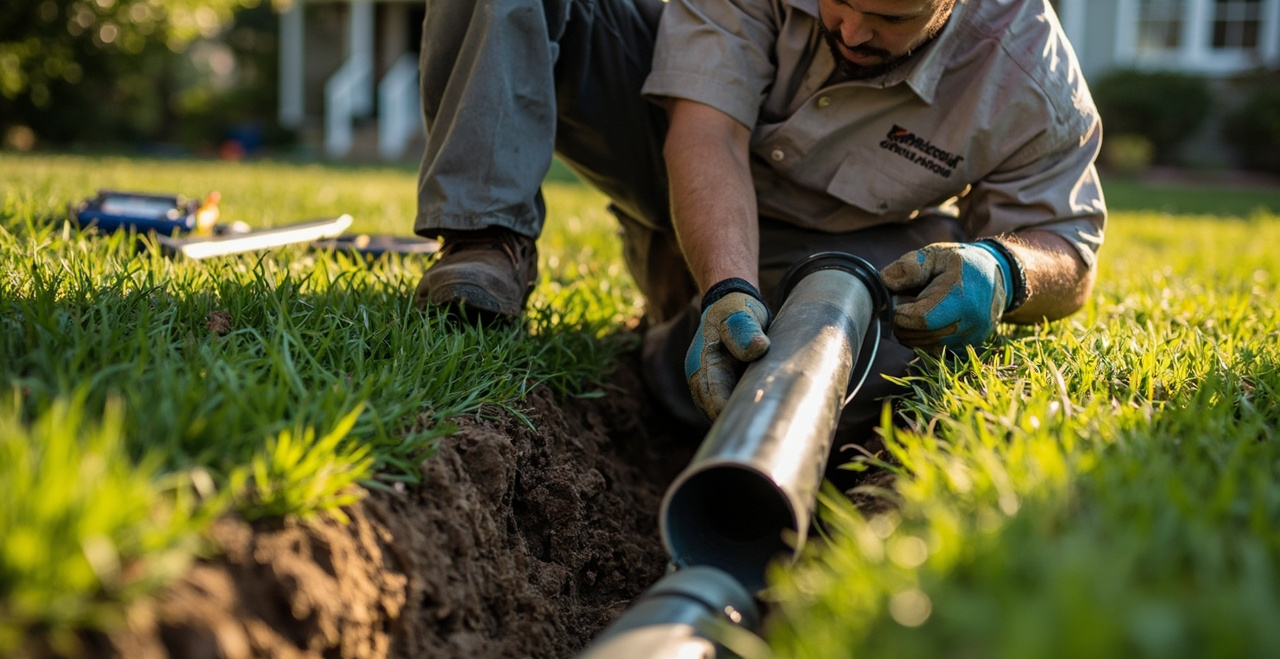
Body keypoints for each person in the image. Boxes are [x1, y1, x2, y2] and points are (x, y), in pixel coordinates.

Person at [411, 0, 1105, 469]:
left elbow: (1066, 244)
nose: (853, 31)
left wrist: (1005, 272)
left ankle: (669, 354)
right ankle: (485, 241)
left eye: (890, 17)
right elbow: (709, 131)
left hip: (825, 242)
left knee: (887, 371)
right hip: (668, 143)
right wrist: (729, 286)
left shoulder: (1027, 75)